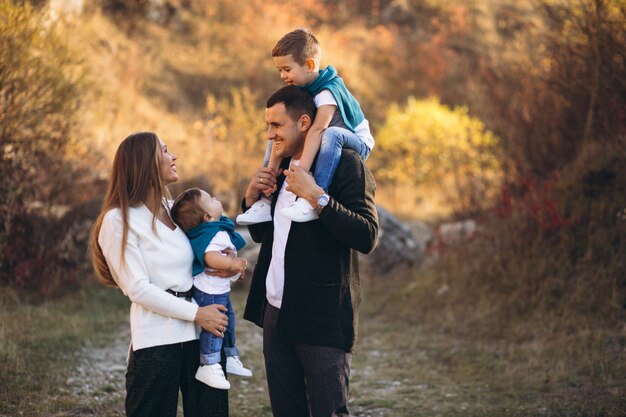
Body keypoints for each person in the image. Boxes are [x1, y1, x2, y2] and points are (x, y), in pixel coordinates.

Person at [241, 85, 379, 417]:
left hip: (323, 315)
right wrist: (251, 197)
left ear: (304, 122)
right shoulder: (281, 163)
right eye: (267, 126)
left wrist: (317, 198)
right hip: (276, 313)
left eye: (276, 126)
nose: (270, 134)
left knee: (327, 411)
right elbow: (263, 233)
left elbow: (367, 235)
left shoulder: (347, 164)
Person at [89, 132, 235, 417]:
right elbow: (138, 289)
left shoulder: (176, 211)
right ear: (146, 164)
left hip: (202, 337)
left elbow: (207, 246)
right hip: (156, 343)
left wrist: (225, 265)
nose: (173, 156)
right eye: (165, 151)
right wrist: (197, 314)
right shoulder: (119, 219)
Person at [236, 28, 374, 225]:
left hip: (358, 141)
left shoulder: (327, 92)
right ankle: (266, 200)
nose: (283, 76)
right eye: (280, 70)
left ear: (309, 65)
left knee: (332, 134)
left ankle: (313, 196)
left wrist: (300, 173)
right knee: (277, 138)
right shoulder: (304, 88)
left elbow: (317, 130)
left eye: (287, 69)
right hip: (327, 138)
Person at [170, 188, 253, 390]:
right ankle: (209, 363)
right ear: (207, 216)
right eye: (211, 199)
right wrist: (233, 265)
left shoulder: (215, 229)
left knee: (229, 322)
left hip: (219, 289)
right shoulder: (209, 234)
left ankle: (229, 354)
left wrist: (233, 264)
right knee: (215, 327)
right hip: (209, 291)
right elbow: (210, 257)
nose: (216, 198)